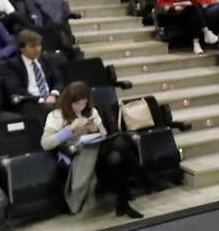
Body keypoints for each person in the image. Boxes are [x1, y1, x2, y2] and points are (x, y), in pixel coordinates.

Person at [39, 80, 142, 219]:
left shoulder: (91, 111)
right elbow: (46, 143)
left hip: (98, 150)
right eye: (77, 103)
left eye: (84, 102)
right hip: (79, 154)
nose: (81, 107)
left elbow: (104, 136)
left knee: (117, 149)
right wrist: (70, 129)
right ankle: (139, 182)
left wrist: (95, 130)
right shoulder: (56, 115)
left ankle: (124, 204)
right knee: (118, 150)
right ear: (68, 101)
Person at [0, 30, 63, 117]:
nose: (38, 49)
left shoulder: (46, 59)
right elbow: (16, 89)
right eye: (32, 46)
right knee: (48, 111)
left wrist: (54, 94)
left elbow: (58, 79)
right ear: (22, 48)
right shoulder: (11, 65)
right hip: (29, 102)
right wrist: (41, 99)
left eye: (39, 45)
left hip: (51, 98)